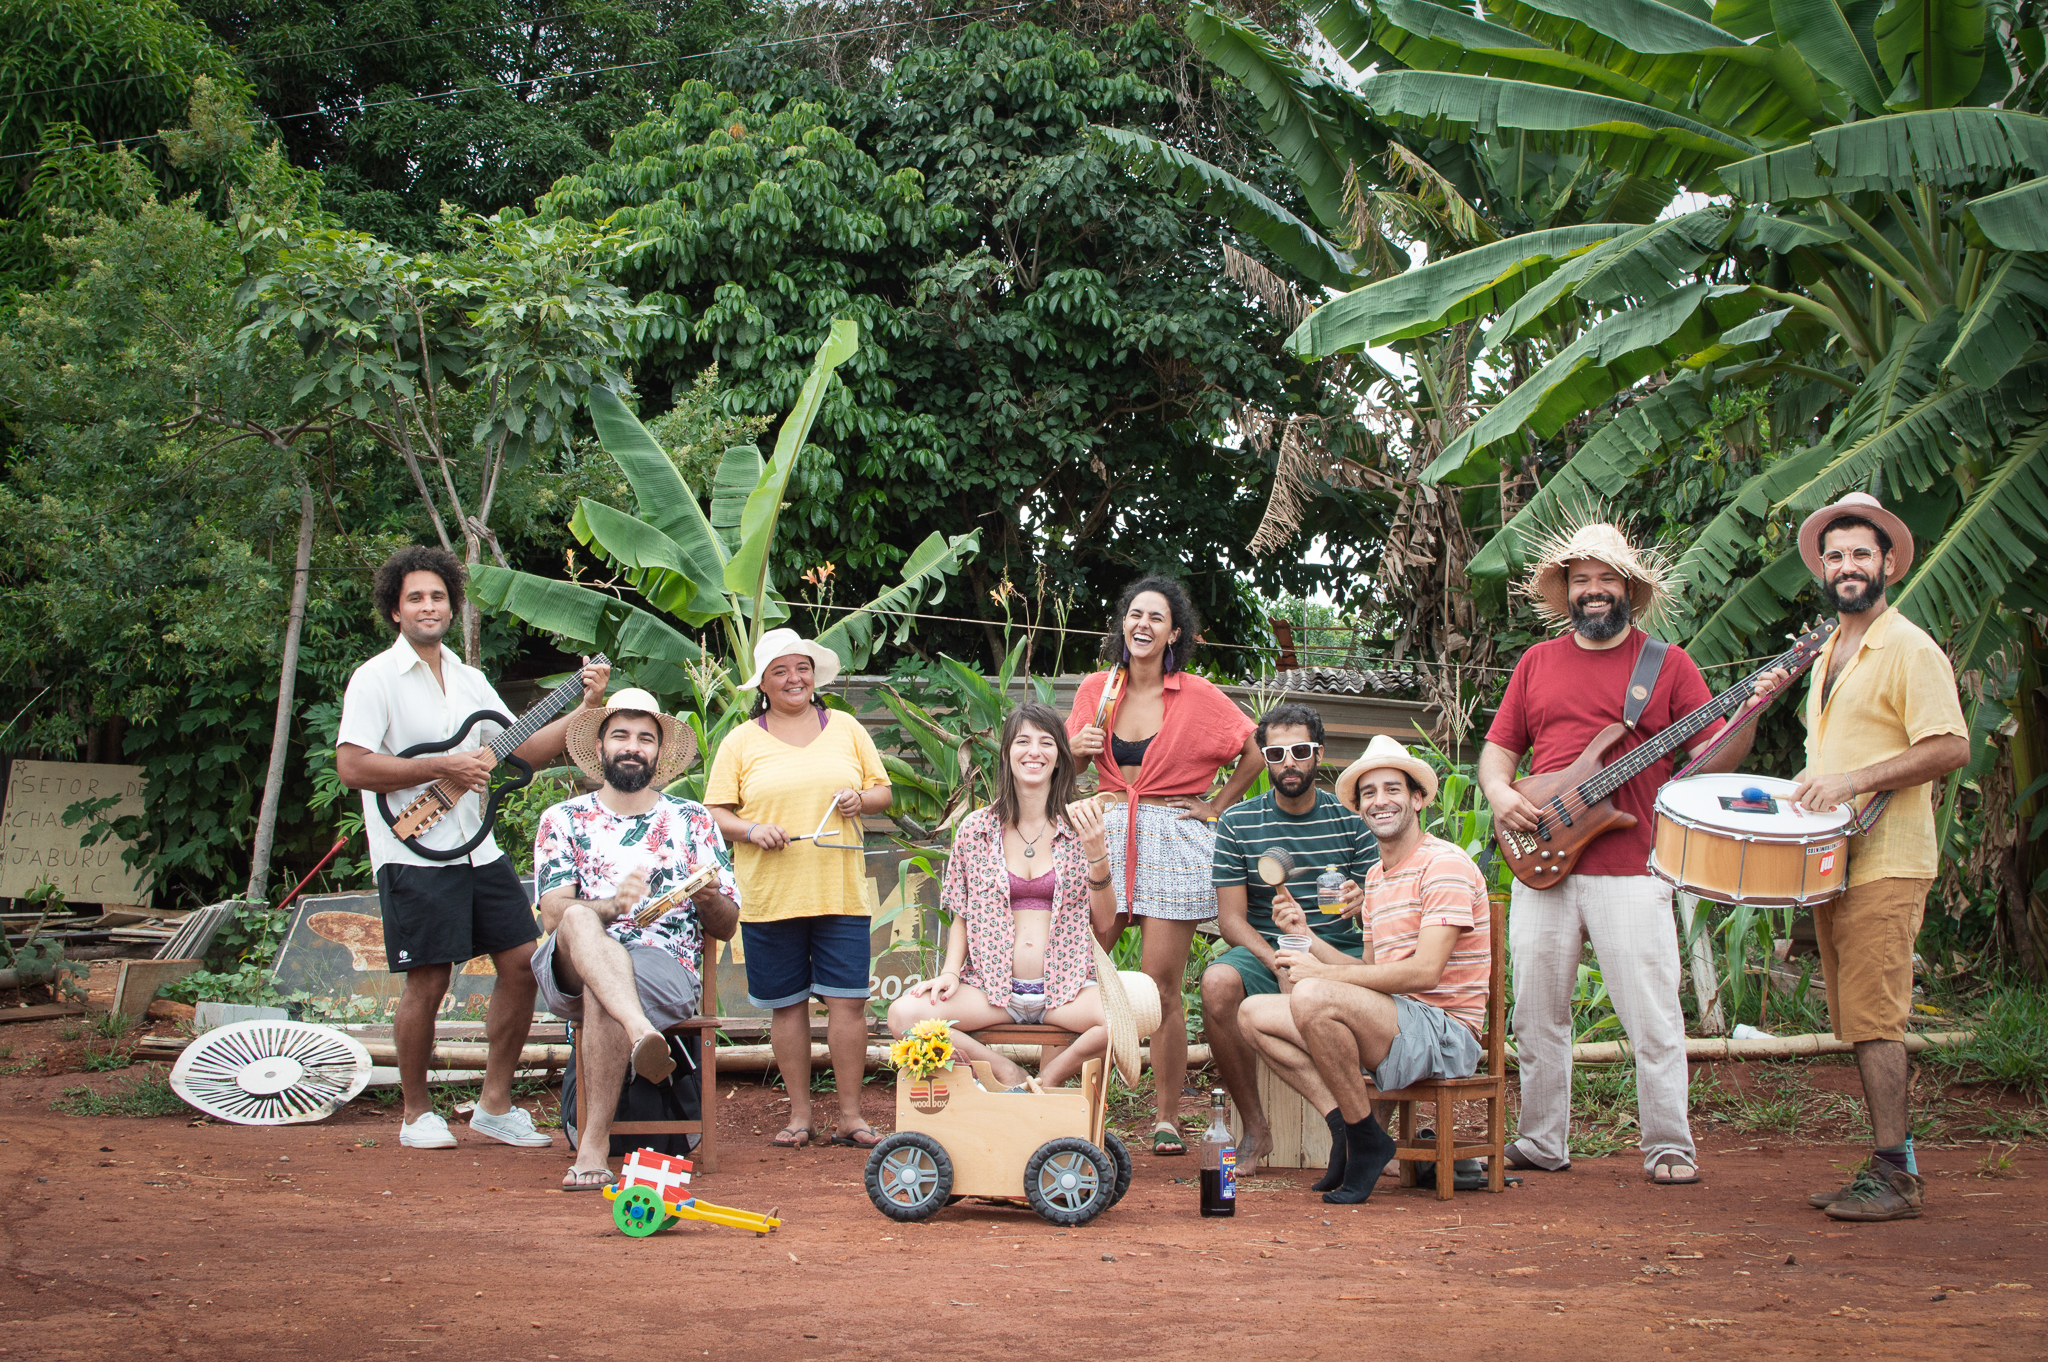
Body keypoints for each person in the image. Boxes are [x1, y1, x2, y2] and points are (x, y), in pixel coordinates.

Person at [1476, 521, 1769, 1186]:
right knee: (1536, 1010)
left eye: (1608, 579)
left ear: (1630, 591)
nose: (1595, 590)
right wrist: (1500, 794)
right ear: (1567, 592)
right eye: (1582, 579)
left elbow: (1712, 753)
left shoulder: (1667, 664)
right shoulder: (1536, 663)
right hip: (1542, 855)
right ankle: (1542, 1138)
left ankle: (1669, 1144)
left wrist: (1747, 715)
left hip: (1633, 862)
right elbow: (1500, 749)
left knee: (1652, 1010)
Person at [336, 544, 608, 1151]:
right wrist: (440, 763)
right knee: (428, 981)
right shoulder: (375, 678)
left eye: (438, 596)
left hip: (478, 849)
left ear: (452, 605)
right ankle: (414, 1114)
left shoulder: (470, 679)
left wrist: (586, 706)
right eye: (416, 598)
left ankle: (494, 1104)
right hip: (414, 852)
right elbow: (352, 765)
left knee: (522, 966)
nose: (428, 606)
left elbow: (524, 752)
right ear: (395, 612)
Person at [1788, 493, 1968, 1222]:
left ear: (1888, 563)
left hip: (1889, 857)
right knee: (1858, 1014)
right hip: (1838, 862)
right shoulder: (1829, 650)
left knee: (1877, 1017)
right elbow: (1832, 755)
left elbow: (1951, 746)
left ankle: (1897, 1175)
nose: (1847, 566)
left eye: (1862, 553)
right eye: (1835, 556)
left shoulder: (1910, 647)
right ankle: (1892, 1164)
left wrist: (1853, 780)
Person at [1237, 736, 1490, 1204]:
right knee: (1253, 1012)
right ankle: (1349, 1129)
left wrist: (1319, 976)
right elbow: (1371, 971)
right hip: (1397, 1018)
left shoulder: (1445, 864)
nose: (1380, 801)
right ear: (1360, 808)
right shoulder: (1375, 877)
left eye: (1393, 789)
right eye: (1369, 793)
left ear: (1418, 799)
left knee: (1310, 994)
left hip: (1446, 1034)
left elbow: (1424, 973)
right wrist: (1308, 935)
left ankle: (1364, 1138)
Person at [1066, 576, 1261, 1155]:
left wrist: (1216, 806)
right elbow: (1067, 769)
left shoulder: (1196, 694)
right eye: (1134, 614)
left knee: (1161, 986)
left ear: (1175, 632)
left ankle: (1167, 1118)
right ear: (1122, 625)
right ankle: (1074, 1110)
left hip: (1172, 840)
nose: (1142, 625)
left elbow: (1252, 751)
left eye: (1156, 617)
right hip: (1104, 833)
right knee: (1079, 974)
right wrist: (1075, 754)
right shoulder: (1098, 689)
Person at [531, 688, 740, 1190]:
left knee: (605, 992)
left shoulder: (693, 821)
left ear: (659, 753)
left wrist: (708, 897)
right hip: (572, 960)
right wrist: (612, 907)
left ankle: (592, 1148)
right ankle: (641, 1030)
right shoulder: (563, 819)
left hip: (663, 962)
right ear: (600, 746)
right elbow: (552, 912)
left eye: (645, 738)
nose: (633, 746)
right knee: (580, 922)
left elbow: (727, 924)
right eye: (620, 735)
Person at [705, 628, 893, 1149]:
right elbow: (714, 813)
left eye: (802, 667)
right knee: (786, 1007)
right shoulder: (741, 741)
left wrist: (861, 799)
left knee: (847, 1005)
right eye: (780, 671)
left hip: (840, 890)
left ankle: (851, 1116)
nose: (794, 678)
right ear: (763, 684)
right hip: (769, 895)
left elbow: (883, 790)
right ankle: (799, 1116)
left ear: (815, 674)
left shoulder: (848, 728)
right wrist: (751, 830)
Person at [886, 704, 1122, 1087]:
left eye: (1047, 742)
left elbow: (1106, 921)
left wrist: (1097, 856)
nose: (1034, 752)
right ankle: (1004, 1071)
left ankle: (1048, 1080)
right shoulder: (975, 830)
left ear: (1061, 757)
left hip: (1064, 989)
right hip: (990, 989)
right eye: (1023, 741)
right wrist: (949, 972)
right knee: (902, 1016)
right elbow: (962, 911)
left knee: (1124, 1020)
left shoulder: (1082, 825)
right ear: (1007, 753)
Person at [1203, 702, 1379, 1173]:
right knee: (1218, 983)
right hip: (1266, 949)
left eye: (1300, 751)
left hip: (1339, 950)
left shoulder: (1353, 820)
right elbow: (1231, 922)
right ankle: (1256, 1130)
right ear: (1263, 757)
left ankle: (1369, 1131)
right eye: (1276, 753)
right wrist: (1279, 963)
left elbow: (1379, 906)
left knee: (1381, 981)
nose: (1289, 763)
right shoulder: (1239, 823)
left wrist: (1362, 900)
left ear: (1318, 754)